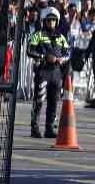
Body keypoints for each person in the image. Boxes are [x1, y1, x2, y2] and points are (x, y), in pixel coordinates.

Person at [27, 7, 70, 138]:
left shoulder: (61, 37)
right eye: (49, 20)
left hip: (56, 73)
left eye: (54, 20)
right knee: (39, 100)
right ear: (44, 21)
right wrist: (44, 57)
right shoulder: (37, 35)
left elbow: (68, 53)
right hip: (43, 72)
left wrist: (63, 59)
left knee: (54, 101)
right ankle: (34, 128)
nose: (51, 22)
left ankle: (49, 128)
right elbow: (29, 51)